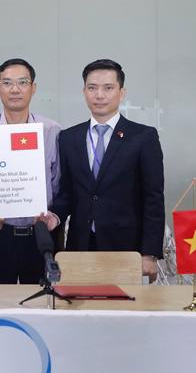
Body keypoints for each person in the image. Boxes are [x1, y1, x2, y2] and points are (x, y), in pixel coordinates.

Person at [40, 59, 164, 281]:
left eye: (108, 88)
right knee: (81, 309)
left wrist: (149, 254)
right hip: (80, 246)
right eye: (92, 88)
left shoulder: (143, 137)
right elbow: (67, 192)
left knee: (124, 312)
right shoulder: (69, 138)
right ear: (84, 92)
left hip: (127, 247)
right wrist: (55, 216)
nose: (100, 95)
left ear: (122, 92)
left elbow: (153, 198)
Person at [0, 58, 61, 284]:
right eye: (7, 83)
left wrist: (52, 215)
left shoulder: (52, 131)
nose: (15, 89)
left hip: (41, 236)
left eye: (23, 82)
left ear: (33, 88)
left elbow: (59, 184)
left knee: (41, 307)